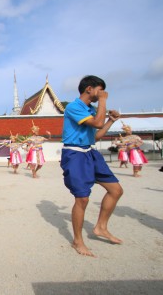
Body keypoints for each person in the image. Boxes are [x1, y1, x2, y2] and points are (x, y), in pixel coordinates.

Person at [61, 75, 123, 257]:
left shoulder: (89, 109)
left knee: (116, 190)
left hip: (90, 152)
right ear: (89, 88)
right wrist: (103, 102)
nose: (102, 93)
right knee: (82, 199)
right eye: (100, 89)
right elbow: (97, 123)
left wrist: (110, 121)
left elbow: (95, 135)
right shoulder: (74, 107)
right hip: (74, 154)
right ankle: (77, 241)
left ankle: (101, 227)